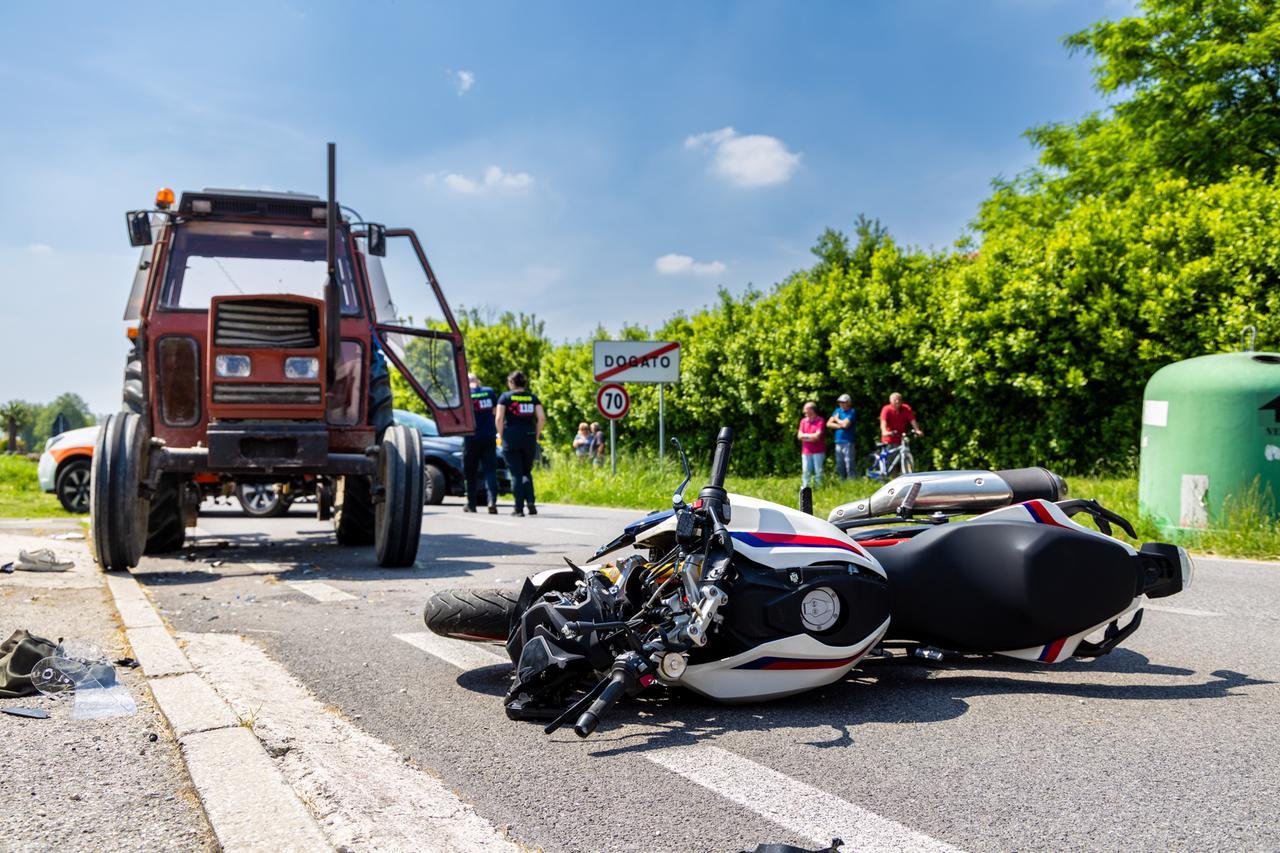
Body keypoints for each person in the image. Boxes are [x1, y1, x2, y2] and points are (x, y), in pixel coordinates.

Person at [495, 370, 546, 517]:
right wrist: (536, 434)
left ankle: (518, 508)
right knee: (526, 472)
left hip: (511, 436)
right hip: (529, 436)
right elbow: (541, 418)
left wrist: (501, 434)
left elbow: (499, 418)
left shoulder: (505, 397)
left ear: (512, 383)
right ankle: (530, 503)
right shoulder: (532, 397)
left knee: (516, 473)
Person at [462, 373, 499, 514]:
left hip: (471, 437)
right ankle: (492, 501)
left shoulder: (465, 394)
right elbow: (495, 411)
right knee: (490, 470)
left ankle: (471, 504)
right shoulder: (489, 392)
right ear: (478, 381)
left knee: (470, 472)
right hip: (489, 436)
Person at [796, 401, 826, 488]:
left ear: (812, 410)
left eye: (806, 410)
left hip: (818, 451)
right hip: (806, 451)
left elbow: (817, 437)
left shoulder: (820, 420)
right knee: (805, 471)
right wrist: (810, 437)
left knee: (818, 471)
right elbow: (799, 436)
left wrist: (804, 436)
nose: (804, 412)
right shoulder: (803, 421)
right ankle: (805, 487)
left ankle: (819, 488)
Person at [827, 393, 856, 480]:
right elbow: (828, 424)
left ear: (849, 403)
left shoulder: (852, 411)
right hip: (838, 441)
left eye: (844, 402)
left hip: (848, 441)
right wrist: (840, 425)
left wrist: (836, 420)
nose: (841, 404)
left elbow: (846, 425)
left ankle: (852, 480)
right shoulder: (837, 411)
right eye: (840, 402)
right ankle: (842, 480)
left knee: (849, 462)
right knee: (840, 462)